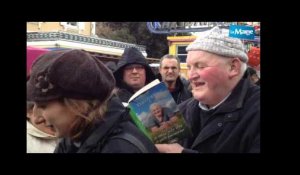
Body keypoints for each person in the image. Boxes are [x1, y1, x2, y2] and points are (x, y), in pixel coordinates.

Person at [27, 49, 158, 153]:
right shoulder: (73, 136)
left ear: (76, 106)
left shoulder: (120, 148)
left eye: (43, 106)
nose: (37, 118)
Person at [155, 26, 260, 153]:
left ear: (233, 67)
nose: (191, 75)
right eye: (189, 67)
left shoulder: (255, 112)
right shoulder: (182, 111)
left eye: (200, 66)